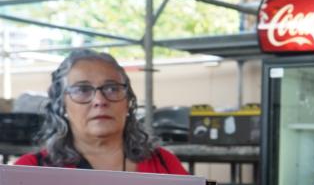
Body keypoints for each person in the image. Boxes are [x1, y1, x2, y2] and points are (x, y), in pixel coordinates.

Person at [14, 49, 188, 174]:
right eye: (82, 90)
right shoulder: (31, 170)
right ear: (62, 105)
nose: (100, 100)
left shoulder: (164, 164)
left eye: (112, 88)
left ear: (128, 102)